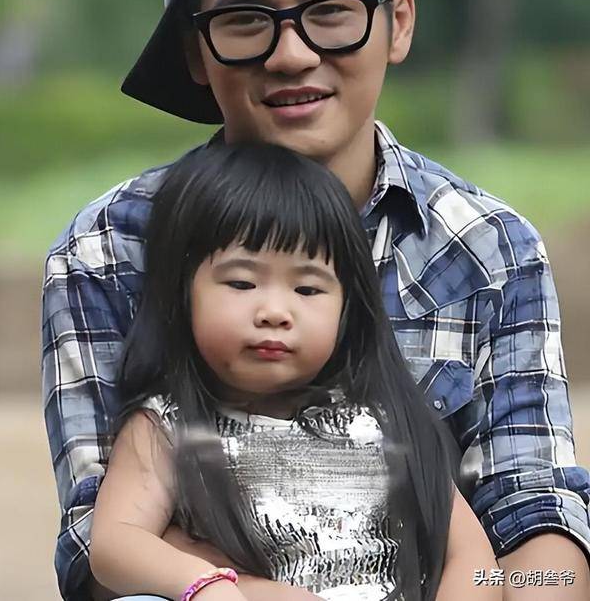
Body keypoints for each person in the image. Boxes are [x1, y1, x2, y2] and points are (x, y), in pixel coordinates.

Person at [42, 0, 590, 601]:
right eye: (245, 19)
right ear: (196, 50)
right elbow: (99, 547)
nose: (293, 54)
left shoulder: (489, 251)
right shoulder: (109, 249)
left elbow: (532, 511)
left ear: (398, 22)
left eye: (331, 11)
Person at [88, 140, 499, 601]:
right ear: (182, 293)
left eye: (307, 289)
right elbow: (115, 543)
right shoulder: (168, 428)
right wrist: (206, 585)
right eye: (242, 282)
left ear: (348, 308)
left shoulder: (385, 419)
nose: (274, 312)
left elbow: (472, 557)